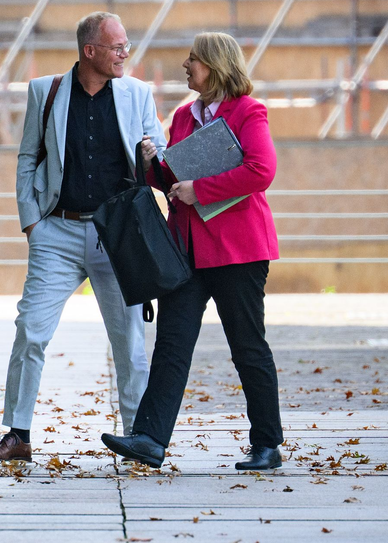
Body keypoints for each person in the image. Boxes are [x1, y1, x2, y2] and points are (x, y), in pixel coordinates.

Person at [0, 11, 167, 462]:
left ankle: (137, 437)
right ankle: (17, 434)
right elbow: (28, 157)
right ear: (90, 51)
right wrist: (32, 223)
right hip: (56, 232)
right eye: (116, 46)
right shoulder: (46, 91)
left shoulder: (138, 93)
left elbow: (158, 158)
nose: (125, 52)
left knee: (130, 345)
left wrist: (150, 154)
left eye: (125, 44)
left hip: (117, 236)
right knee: (31, 331)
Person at [101, 32, 283, 471]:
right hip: (185, 252)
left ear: (216, 65)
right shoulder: (183, 115)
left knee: (247, 346)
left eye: (193, 60)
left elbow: (261, 170)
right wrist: (151, 165)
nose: (186, 66)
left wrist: (197, 190)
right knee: (172, 345)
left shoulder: (247, 112)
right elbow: (172, 180)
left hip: (238, 251)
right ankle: (149, 438)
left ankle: (267, 444)